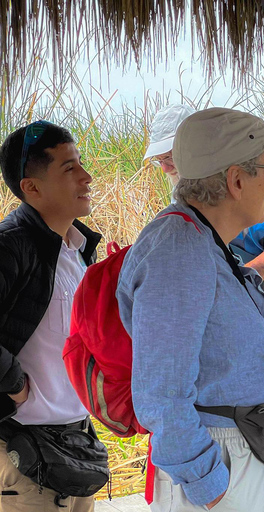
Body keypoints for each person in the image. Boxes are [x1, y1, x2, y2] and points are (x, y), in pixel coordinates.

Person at [118, 108, 264, 511]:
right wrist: (210, 484)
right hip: (217, 461)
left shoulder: (203, 241)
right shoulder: (179, 248)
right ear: (237, 180)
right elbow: (162, 392)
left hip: (233, 452)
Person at [0, 121, 102, 511]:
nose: (86, 177)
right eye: (69, 168)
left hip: (75, 444)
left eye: (81, 163)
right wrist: (14, 385)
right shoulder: (10, 247)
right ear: (32, 187)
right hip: (21, 451)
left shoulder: (77, 249)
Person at [144, 104, 264, 281]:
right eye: (159, 160)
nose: (164, 168)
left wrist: (242, 279)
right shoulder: (172, 221)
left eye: (170, 157)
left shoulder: (241, 198)